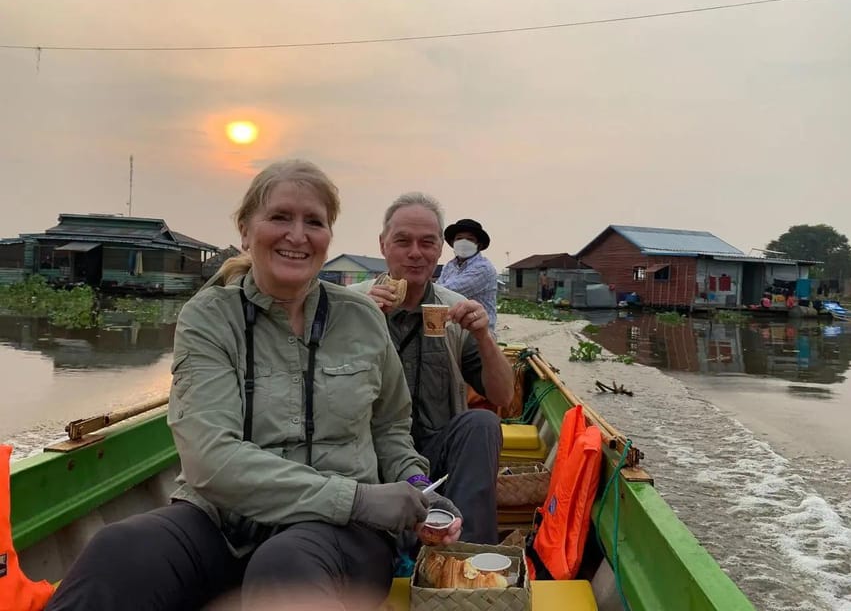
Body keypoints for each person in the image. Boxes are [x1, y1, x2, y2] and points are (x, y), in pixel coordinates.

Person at [45, 161, 462, 611]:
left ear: (327, 239)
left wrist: (418, 484)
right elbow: (211, 460)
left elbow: (390, 430)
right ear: (246, 231)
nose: (297, 235)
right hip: (220, 522)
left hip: (340, 537)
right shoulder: (208, 319)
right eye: (280, 217)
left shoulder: (361, 319)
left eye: (314, 222)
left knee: (286, 565)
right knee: (120, 549)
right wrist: (358, 499)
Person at [349, 192, 515, 545]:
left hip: (436, 454)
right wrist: (358, 325)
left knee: (482, 422)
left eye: (427, 243)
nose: (415, 252)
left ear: (440, 249)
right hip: (366, 456)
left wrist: (484, 336)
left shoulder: (455, 311)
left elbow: (504, 395)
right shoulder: (348, 306)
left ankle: (467, 555)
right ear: (383, 245)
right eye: (403, 241)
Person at [437, 218, 498, 333]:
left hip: (479, 335)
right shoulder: (449, 265)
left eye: (470, 239)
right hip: (455, 330)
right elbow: (438, 289)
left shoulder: (483, 268)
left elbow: (444, 292)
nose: (463, 243)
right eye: (459, 239)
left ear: (478, 245)